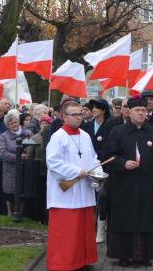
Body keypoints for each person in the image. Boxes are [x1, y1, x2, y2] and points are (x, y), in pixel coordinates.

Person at [104, 96, 153, 266]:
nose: (140, 113)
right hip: (123, 186)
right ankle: (124, 256)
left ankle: (143, 256)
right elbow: (107, 157)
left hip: (146, 185)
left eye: (143, 110)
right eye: (137, 110)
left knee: (145, 220)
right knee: (125, 220)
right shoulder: (118, 132)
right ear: (129, 112)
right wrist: (123, 163)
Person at [45, 100, 103, 270]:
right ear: (63, 117)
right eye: (74, 114)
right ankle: (64, 263)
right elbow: (53, 163)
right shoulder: (58, 137)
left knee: (83, 231)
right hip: (65, 194)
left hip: (83, 191)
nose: (79, 118)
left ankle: (82, 261)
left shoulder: (85, 136)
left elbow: (93, 158)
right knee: (67, 232)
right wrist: (77, 171)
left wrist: (97, 171)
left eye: (81, 114)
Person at [81, 98, 111, 243]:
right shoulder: (86, 126)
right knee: (90, 196)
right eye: (92, 107)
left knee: (103, 198)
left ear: (104, 110)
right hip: (89, 168)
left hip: (106, 166)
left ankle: (100, 230)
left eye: (96, 107)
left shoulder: (111, 125)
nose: (93, 110)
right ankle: (88, 228)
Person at [27, 115, 52, 223]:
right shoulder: (35, 138)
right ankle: (39, 217)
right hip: (39, 171)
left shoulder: (53, 137)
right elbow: (29, 154)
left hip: (50, 172)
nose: (44, 125)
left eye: (47, 123)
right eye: (43, 123)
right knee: (40, 196)